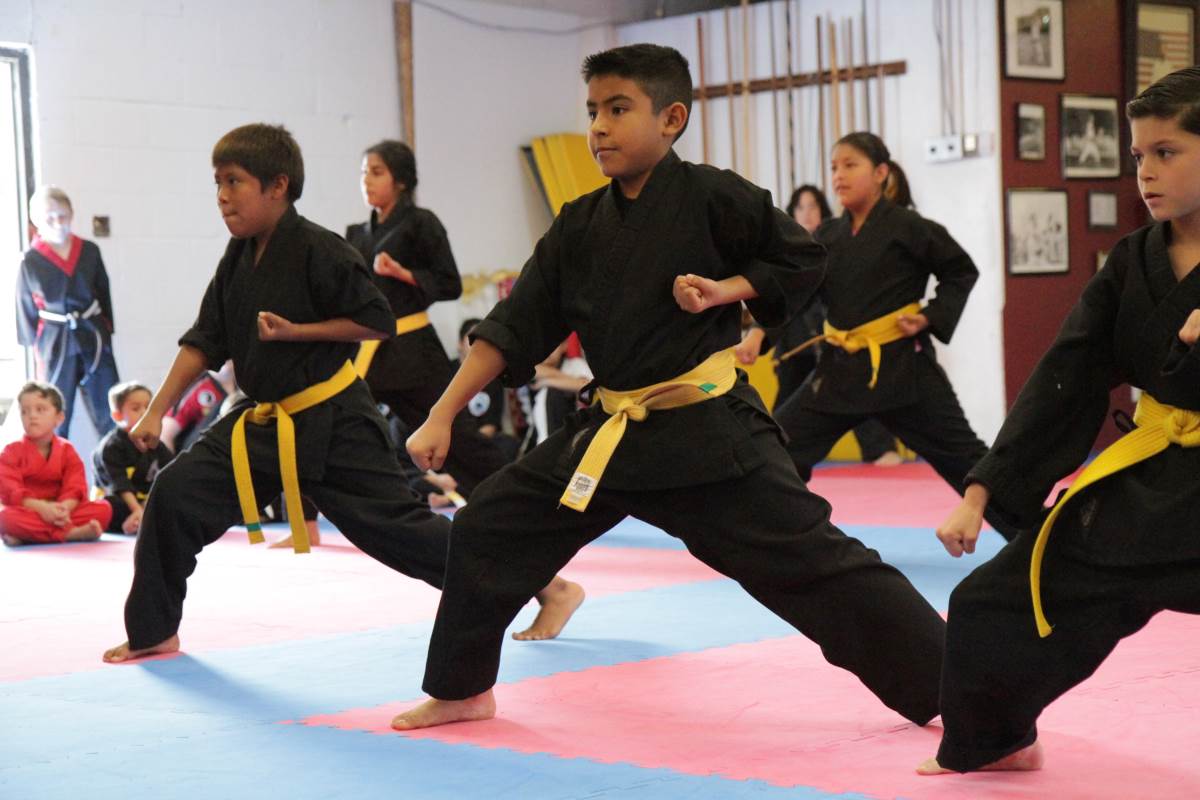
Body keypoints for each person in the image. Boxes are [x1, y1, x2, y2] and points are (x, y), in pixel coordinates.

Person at [391, 44, 945, 732]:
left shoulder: (715, 197)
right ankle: (462, 689)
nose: (598, 126)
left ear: (672, 118)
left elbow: (802, 260)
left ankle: (970, 699)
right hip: (610, 434)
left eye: (618, 108)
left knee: (817, 565)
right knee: (486, 524)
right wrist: (442, 413)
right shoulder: (579, 225)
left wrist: (727, 290)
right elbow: (512, 327)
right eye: (592, 111)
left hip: (706, 436)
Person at [101, 124, 582, 665]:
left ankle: (547, 585)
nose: (222, 196)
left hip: (334, 422)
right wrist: (157, 411)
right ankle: (152, 630)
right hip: (262, 423)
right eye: (217, 183)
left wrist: (296, 332)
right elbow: (203, 340)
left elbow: (377, 320)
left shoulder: (321, 248)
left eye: (234, 181)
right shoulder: (238, 257)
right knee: (173, 493)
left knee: (405, 535)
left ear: (277, 185)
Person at [918, 66, 1200, 776]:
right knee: (989, 601)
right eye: (1139, 155)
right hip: (1153, 482)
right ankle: (995, 740)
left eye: (1167, 152)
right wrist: (981, 491)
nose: (1146, 172)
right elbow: (1065, 374)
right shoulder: (1133, 261)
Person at [771, 133, 1020, 541]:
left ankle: (1038, 539)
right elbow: (796, 293)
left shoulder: (909, 227)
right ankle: (790, 537)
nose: (838, 175)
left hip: (904, 372)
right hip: (839, 374)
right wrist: (758, 337)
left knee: (967, 461)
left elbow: (961, 270)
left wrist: (930, 316)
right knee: (775, 450)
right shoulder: (827, 237)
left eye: (850, 165)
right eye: (834, 167)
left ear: (881, 173)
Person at [346, 141, 509, 497]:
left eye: (376, 172)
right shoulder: (356, 234)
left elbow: (450, 284)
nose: (366, 181)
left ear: (401, 180)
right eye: (363, 173)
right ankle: (340, 510)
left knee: (454, 433)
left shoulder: (421, 223)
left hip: (412, 351)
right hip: (368, 353)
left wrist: (403, 273)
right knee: (340, 426)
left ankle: (510, 498)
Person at [742, 184, 902, 465]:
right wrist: (758, 332)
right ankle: (776, 456)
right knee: (788, 411)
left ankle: (880, 449)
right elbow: (784, 295)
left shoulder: (836, 242)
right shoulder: (784, 249)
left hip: (836, 341)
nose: (807, 212)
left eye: (813, 206)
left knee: (857, 394)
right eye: (800, 207)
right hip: (794, 344)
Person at [16, 186, 120, 438]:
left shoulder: (89, 251)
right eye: (49, 218)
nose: (57, 223)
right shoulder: (30, 261)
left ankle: (113, 461)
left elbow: (103, 291)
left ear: (71, 214)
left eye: (62, 216)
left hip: (92, 335)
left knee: (109, 409)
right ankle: (54, 464)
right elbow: (25, 308)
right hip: (55, 341)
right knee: (54, 414)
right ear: (37, 221)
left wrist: (106, 331)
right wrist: (34, 345)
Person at [0, 381, 112, 545]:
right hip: (29, 510)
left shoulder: (67, 450)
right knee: (5, 518)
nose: (32, 416)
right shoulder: (11, 451)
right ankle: (69, 534)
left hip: (63, 511)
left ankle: (29, 536)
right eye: (24, 411)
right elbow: (10, 490)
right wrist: (42, 508)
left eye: (40, 409)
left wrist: (63, 509)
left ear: (59, 418)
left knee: (104, 509)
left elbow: (75, 487)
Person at [93, 381, 173, 535]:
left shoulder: (155, 443)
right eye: (136, 408)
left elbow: (172, 472)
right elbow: (119, 484)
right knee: (109, 506)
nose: (144, 413)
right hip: (119, 500)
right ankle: (135, 522)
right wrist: (137, 510)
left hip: (144, 502)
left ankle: (140, 521)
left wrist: (144, 507)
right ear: (118, 416)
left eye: (148, 407)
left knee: (174, 495)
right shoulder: (111, 447)